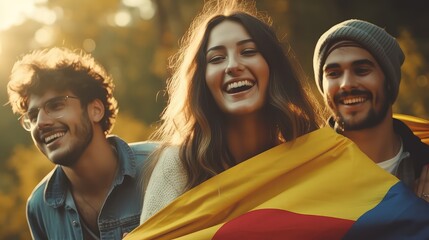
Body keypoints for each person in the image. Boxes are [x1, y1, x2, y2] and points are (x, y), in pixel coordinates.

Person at [124, 1, 429, 239]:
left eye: (248, 51)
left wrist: (418, 212)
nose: (233, 66)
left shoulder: (305, 158)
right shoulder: (180, 164)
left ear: (272, 68)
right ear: (202, 79)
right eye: (217, 58)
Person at [7, 47, 156, 239]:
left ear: (95, 110)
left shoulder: (160, 166)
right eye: (33, 116)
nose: (41, 122)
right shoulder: (38, 207)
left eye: (56, 105)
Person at [313, 19, 429, 201]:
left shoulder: (423, 164)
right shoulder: (304, 169)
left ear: (389, 83)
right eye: (334, 73)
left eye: (361, 70)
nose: (346, 84)